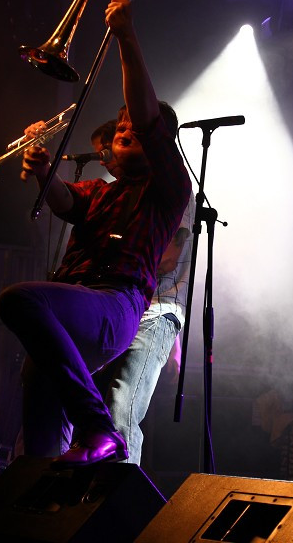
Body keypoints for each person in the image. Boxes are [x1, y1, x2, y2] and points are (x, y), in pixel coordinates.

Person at [0, 0, 191, 465]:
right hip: (79, 301)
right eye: (120, 125)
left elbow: (145, 115)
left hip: (114, 304)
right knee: (39, 441)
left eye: (133, 127)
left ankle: (98, 428)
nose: (123, 126)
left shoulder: (168, 187)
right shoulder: (100, 191)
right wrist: (44, 172)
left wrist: (125, 35)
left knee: (20, 299)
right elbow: (64, 202)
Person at [91, 114, 195, 464]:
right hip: (120, 304)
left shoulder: (166, 189)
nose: (107, 160)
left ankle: (116, 504)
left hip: (154, 310)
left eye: (109, 152)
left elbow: (167, 258)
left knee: (123, 405)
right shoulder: (118, 194)